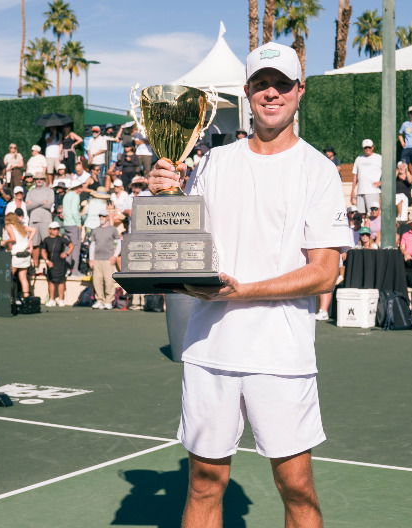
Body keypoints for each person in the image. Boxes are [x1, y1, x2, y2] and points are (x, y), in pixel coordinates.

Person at [146, 41, 350, 528]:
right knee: (203, 484)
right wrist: (162, 195)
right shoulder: (213, 163)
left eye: (282, 84)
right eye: (262, 84)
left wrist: (244, 291)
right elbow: (183, 245)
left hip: (281, 354)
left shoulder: (318, 171)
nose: (272, 93)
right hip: (210, 349)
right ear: (247, 93)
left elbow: (325, 271)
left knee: (297, 486)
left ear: (300, 91)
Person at [89, 213, 123, 309]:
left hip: (108, 259)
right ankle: (99, 300)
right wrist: (91, 259)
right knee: (97, 281)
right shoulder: (95, 230)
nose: (101, 218)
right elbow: (92, 245)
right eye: (100, 216)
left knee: (109, 281)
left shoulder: (112, 229)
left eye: (103, 216)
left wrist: (115, 256)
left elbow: (119, 243)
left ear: (107, 217)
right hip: (97, 260)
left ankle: (108, 301)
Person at [25, 174, 55, 269]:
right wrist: (42, 202)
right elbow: (27, 207)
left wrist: (34, 203)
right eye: (37, 179)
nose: (39, 180)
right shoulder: (30, 192)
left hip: (46, 220)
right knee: (34, 245)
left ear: (44, 179)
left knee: (48, 244)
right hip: (33, 220)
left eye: (41, 178)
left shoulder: (49, 191)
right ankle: (36, 266)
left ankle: (49, 266)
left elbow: (49, 205)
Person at [5, 214, 35, 297]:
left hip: (16, 254)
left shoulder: (9, 226)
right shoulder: (22, 227)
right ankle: (26, 297)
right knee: (23, 277)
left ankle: (8, 295)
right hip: (25, 254)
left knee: (10, 275)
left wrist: (5, 242)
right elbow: (33, 230)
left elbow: (13, 239)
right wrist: (29, 240)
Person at [350, 138, 382, 212]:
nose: (367, 149)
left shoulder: (379, 158)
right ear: (363, 148)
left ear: (373, 147)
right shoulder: (358, 159)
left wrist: (381, 182)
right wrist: (352, 191)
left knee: (372, 214)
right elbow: (355, 176)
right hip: (360, 191)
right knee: (360, 214)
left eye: (369, 147)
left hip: (373, 191)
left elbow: (388, 171)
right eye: (365, 147)